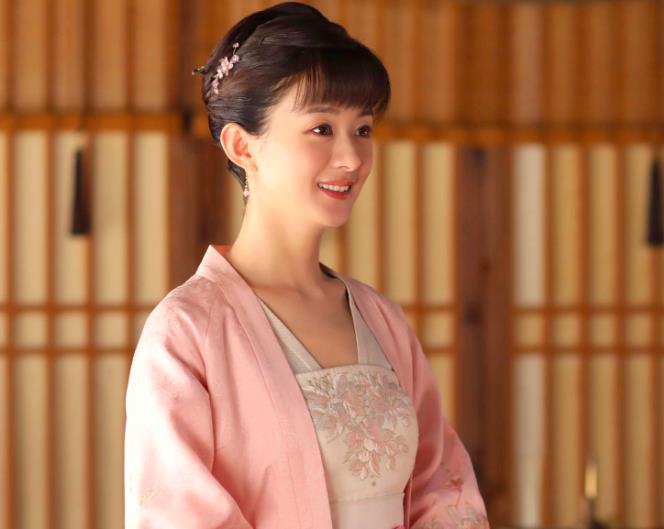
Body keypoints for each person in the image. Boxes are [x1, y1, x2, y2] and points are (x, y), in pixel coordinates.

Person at [123, 3, 490, 529]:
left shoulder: (381, 319)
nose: (352, 158)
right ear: (242, 145)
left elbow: (441, 489)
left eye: (362, 129)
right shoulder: (187, 332)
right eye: (321, 128)